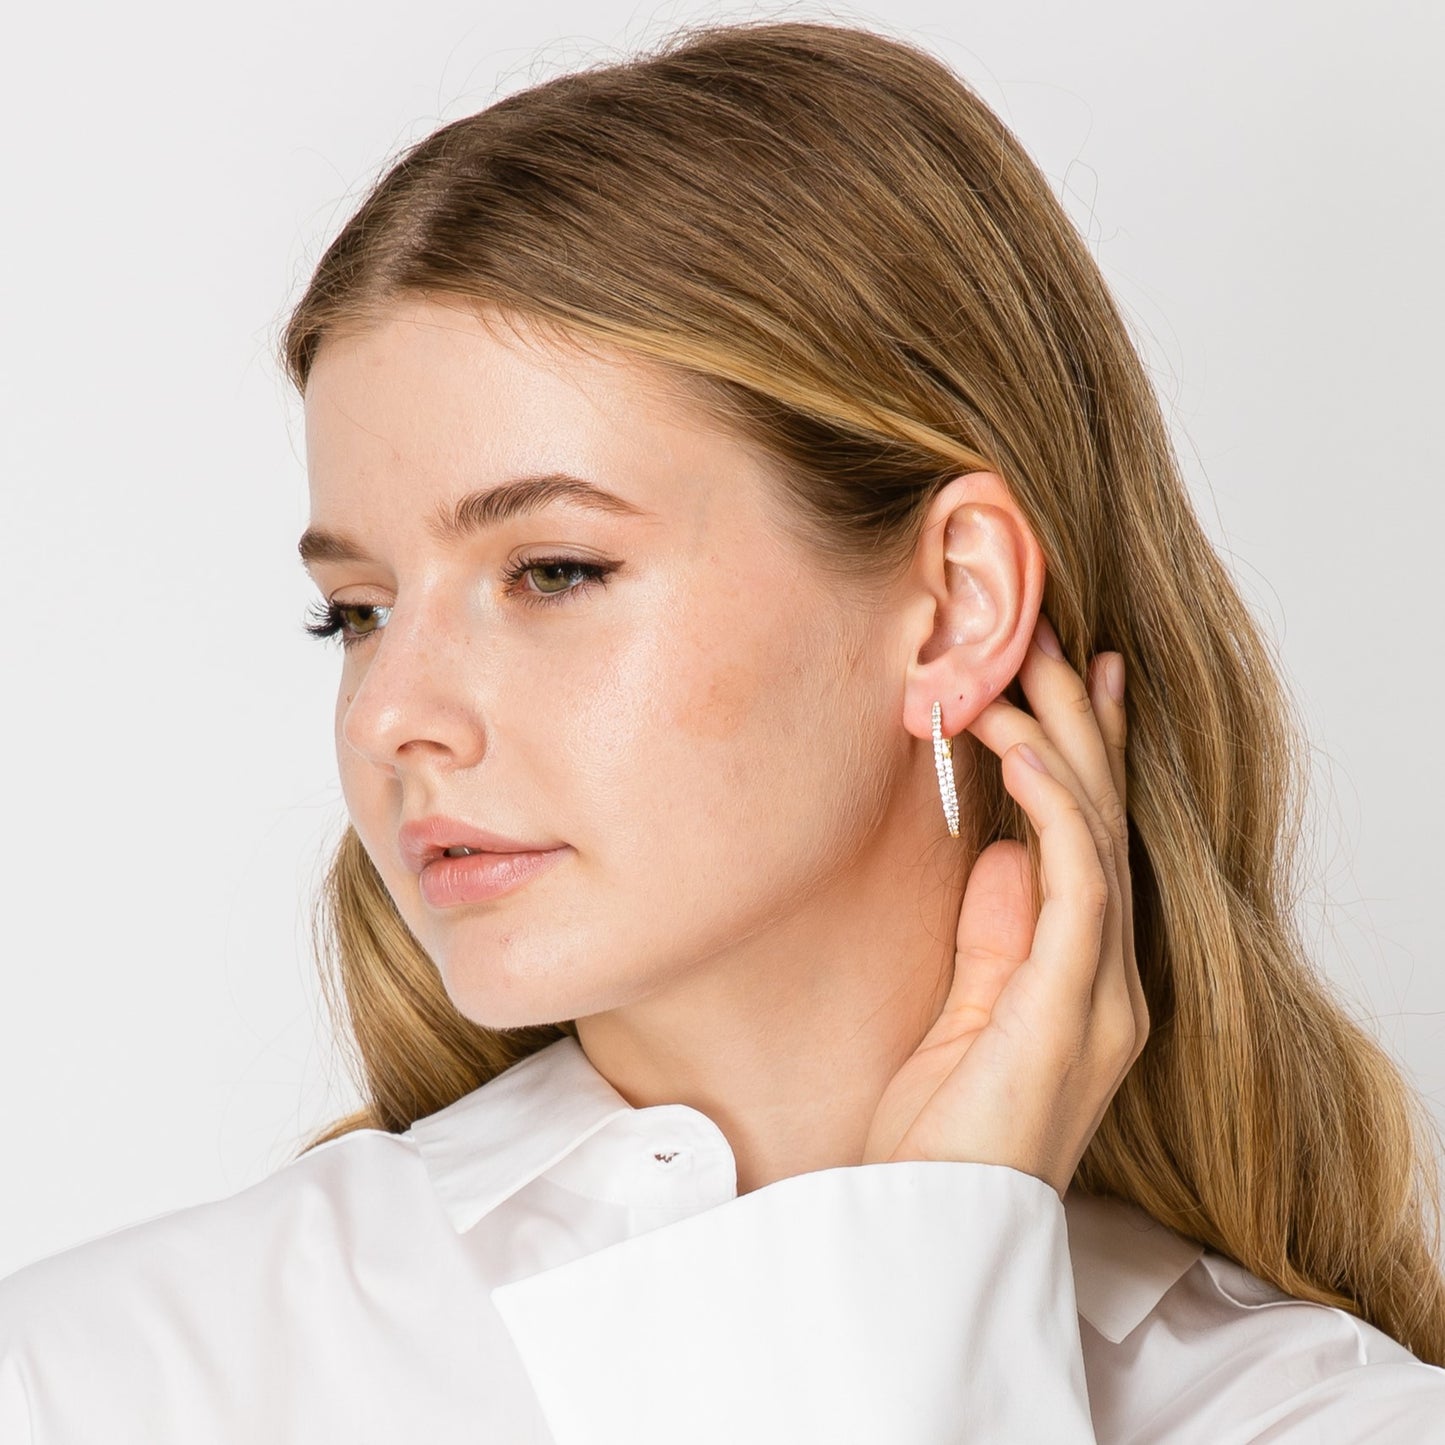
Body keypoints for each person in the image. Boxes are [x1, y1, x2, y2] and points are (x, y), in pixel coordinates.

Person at [2, 16, 1443, 1442]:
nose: (389, 714)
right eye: (358, 609)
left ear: (951, 605)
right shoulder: (103, 1381)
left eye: (552, 571)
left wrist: (942, 1264)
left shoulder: (1312, 1418)